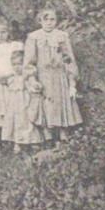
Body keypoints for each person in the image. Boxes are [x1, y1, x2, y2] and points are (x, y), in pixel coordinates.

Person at [23, 8, 82, 144]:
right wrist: (32, 79)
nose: (49, 23)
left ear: (57, 21)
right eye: (46, 19)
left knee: (61, 104)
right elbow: (29, 62)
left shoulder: (62, 36)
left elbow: (69, 59)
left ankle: (64, 136)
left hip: (60, 76)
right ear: (40, 21)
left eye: (52, 19)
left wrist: (72, 82)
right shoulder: (34, 37)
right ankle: (48, 138)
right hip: (43, 77)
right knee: (45, 106)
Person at [1, 48, 43, 155]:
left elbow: (34, 85)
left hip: (25, 104)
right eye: (14, 64)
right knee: (14, 123)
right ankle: (17, 144)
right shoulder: (12, 78)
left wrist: (35, 86)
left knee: (26, 123)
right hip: (13, 106)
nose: (17, 67)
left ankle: (34, 143)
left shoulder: (27, 76)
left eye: (20, 63)